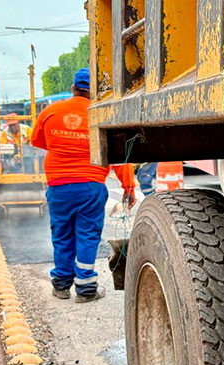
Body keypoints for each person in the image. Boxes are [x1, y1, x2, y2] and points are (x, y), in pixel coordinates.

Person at [31, 67, 136, 303]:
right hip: (91, 185)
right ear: (97, 91)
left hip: (58, 186)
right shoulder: (104, 114)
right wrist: (129, 189)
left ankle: (60, 285)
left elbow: (38, 141)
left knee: (61, 234)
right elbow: (120, 158)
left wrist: (66, 141)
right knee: (87, 235)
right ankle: (86, 290)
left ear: (73, 88)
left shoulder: (50, 112)